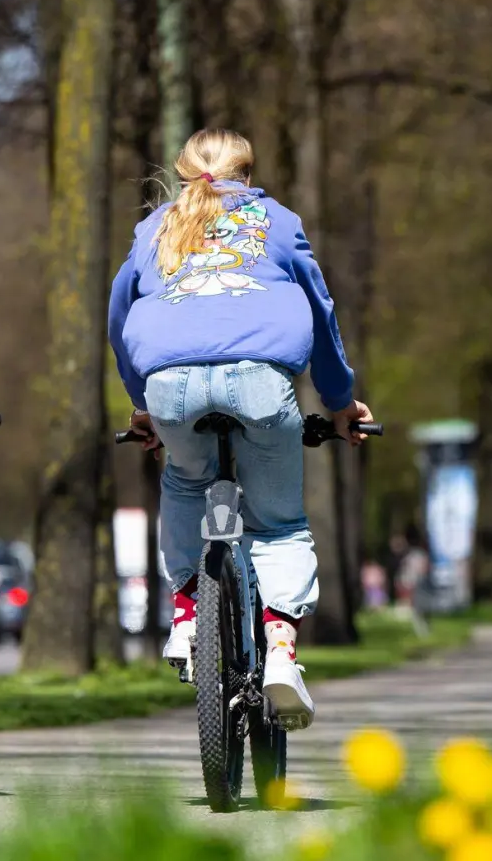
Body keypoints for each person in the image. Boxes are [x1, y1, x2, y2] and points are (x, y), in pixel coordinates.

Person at [108, 129, 373, 730]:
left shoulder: (153, 230)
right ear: (246, 174)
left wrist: (142, 403)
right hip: (259, 382)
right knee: (278, 523)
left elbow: (119, 318)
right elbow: (319, 310)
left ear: (182, 175)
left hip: (169, 386)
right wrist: (339, 401)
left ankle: (184, 618)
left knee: (183, 484)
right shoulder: (278, 221)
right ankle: (280, 651)